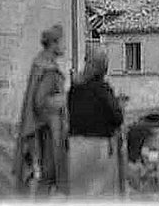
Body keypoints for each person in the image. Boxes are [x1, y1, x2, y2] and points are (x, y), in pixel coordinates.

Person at [13, 24, 69, 196]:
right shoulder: (47, 68)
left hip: (46, 128)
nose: (65, 46)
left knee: (47, 177)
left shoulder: (42, 63)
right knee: (48, 175)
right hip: (47, 131)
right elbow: (40, 101)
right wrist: (64, 99)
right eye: (62, 42)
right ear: (54, 43)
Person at [67, 45, 125, 196]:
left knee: (77, 194)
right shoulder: (103, 90)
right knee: (98, 194)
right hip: (97, 147)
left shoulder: (74, 89)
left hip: (74, 146)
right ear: (103, 68)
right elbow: (117, 118)